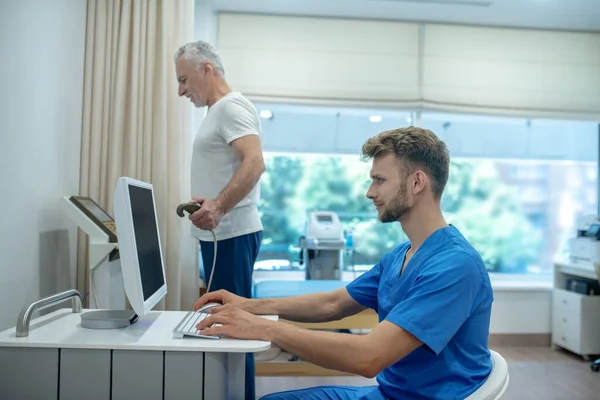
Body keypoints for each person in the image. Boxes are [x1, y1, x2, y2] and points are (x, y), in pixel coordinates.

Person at [192, 126, 494, 400]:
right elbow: (333, 304)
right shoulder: (402, 254)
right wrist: (249, 305)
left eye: (379, 180)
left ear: (417, 182)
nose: (370, 192)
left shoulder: (454, 266)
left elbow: (368, 358)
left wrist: (265, 329)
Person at [174, 40, 265, 400]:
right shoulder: (218, 111)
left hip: (231, 234)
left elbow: (254, 162)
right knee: (226, 327)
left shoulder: (230, 107)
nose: (181, 90)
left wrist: (219, 207)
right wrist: (211, 202)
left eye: (184, 80)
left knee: (233, 329)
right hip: (223, 236)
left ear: (206, 69)